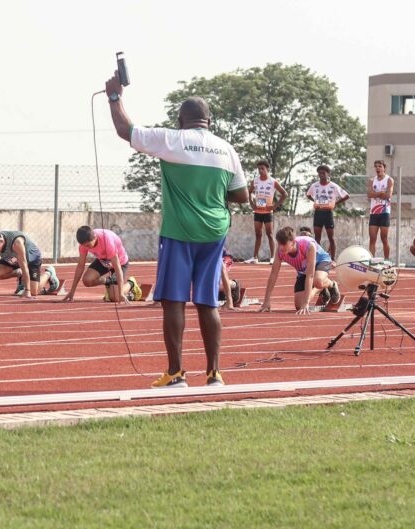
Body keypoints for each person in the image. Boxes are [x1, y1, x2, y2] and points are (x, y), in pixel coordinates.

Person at [104, 71, 248, 388]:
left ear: (181, 120)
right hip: (214, 231)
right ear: (209, 121)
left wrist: (115, 97)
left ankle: (176, 373)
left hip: (180, 231)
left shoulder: (173, 139)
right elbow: (242, 195)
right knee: (209, 302)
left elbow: (125, 130)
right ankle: (214, 373)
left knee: (173, 300)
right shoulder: (227, 150)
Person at [259, 226, 340, 314]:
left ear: (293, 242)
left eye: (284, 244)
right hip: (303, 270)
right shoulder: (279, 251)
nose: (281, 247)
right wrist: (266, 301)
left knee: (318, 281)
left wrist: (306, 303)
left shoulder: (308, 246)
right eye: (279, 244)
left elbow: (310, 276)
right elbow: (273, 274)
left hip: (320, 261)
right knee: (298, 305)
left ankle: (331, 284)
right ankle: (320, 289)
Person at [0, 229, 58, 298]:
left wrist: (27, 290)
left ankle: (49, 273)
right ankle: (19, 276)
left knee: (33, 292)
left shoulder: (17, 243)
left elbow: (24, 264)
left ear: (1, 240)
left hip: (30, 260)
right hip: (13, 259)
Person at [62, 226, 141, 303]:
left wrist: (120, 294)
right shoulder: (83, 245)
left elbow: (117, 267)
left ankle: (131, 283)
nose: (87, 248)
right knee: (87, 280)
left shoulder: (107, 242)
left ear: (95, 237)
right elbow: (80, 266)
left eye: (88, 245)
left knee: (116, 298)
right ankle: (107, 282)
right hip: (104, 260)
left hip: (120, 262)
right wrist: (72, 291)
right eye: (84, 246)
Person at [245, 160, 288, 263]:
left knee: (270, 234)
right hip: (258, 211)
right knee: (258, 235)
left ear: (267, 169)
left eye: (262, 168)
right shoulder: (255, 181)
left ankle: (273, 257)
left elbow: (284, 194)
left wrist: (274, 206)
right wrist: (251, 203)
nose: (260, 171)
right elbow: (249, 192)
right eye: (259, 169)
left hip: (268, 212)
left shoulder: (273, 181)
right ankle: (255, 257)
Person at [305, 165, 350, 260]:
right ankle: (316, 258)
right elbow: (308, 195)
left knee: (331, 237)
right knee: (317, 238)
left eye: (323, 173)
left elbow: (346, 196)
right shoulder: (314, 185)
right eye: (319, 173)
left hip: (328, 213)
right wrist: (315, 201)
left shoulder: (333, 186)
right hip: (318, 212)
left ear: (328, 174)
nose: (321, 175)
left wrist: (335, 203)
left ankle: (332, 259)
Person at [368, 160, 394, 260]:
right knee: (372, 238)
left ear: (384, 168)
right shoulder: (371, 180)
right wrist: (380, 193)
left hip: (384, 212)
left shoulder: (389, 180)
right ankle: (371, 260)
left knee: (384, 238)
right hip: (374, 212)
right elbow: (369, 194)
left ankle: (386, 259)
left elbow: (388, 195)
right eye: (376, 166)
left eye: (380, 166)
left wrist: (376, 193)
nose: (377, 168)